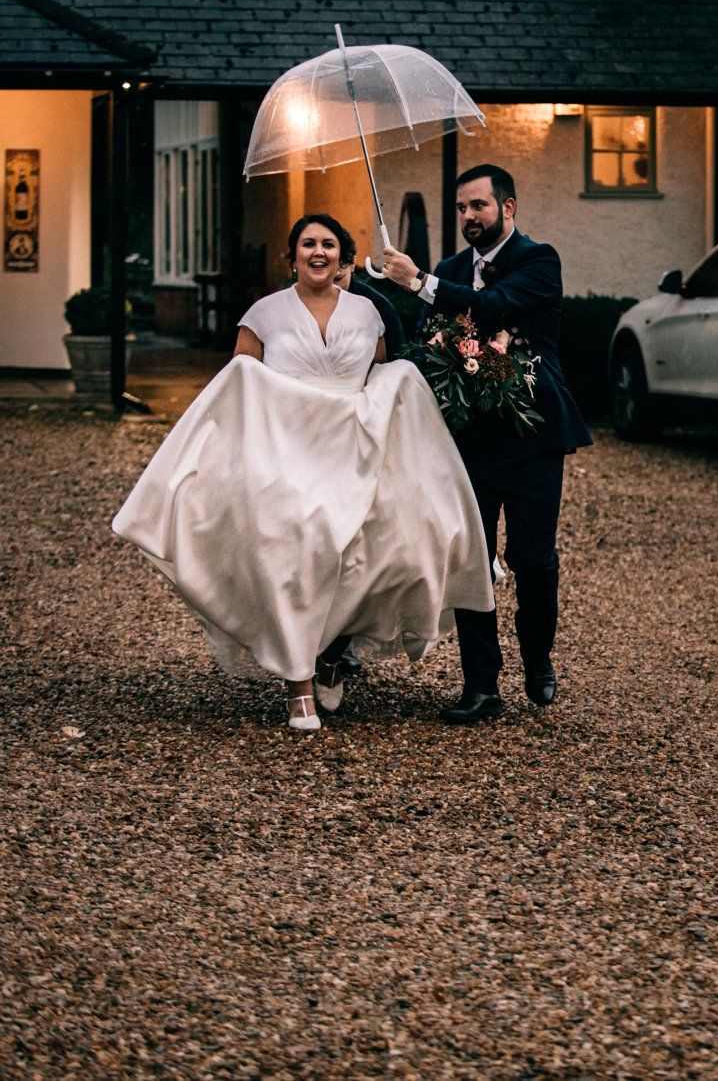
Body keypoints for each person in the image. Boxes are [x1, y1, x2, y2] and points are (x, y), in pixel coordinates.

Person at [113, 213, 494, 732]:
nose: (319, 252)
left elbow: (378, 379)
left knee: (392, 546)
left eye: (329, 244)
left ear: (342, 256)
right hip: (285, 453)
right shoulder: (263, 314)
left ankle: (331, 650)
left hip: (354, 448)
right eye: (309, 244)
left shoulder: (368, 313)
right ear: (291, 256)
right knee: (298, 542)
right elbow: (240, 391)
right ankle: (299, 685)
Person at [378, 163, 591, 725]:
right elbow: (426, 341)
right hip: (468, 441)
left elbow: (493, 306)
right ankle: (480, 685)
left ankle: (537, 658)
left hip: (532, 436)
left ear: (508, 207)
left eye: (479, 205)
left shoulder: (539, 260)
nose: (469, 216)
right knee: (471, 560)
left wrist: (417, 281)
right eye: (462, 208)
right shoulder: (451, 269)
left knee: (532, 559)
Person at [326, 221, 406, 362]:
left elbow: (395, 357)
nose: (332, 287)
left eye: (338, 279)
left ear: (352, 264)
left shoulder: (378, 306)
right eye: (325, 279)